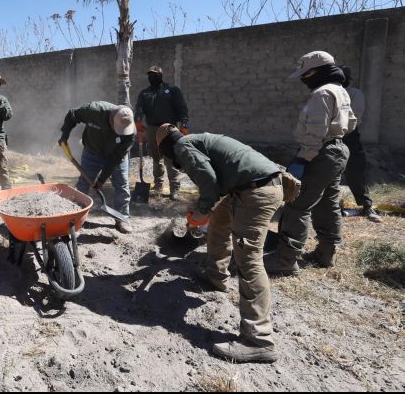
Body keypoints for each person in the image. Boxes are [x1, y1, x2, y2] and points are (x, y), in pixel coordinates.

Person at [156, 124, 283, 363]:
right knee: (219, 223)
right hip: (246, 187)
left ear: (166, 149)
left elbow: (208, 180)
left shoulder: (182, 146)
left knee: (249, 260)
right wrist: (205, 212)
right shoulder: (195, 140)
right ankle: (216, 277)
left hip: (257, 192)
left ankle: (259, 340)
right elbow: (213, 178)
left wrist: (201, 211)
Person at [267, 51, 356, 275]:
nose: (302, 79)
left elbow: (316, 131)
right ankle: (325, 254)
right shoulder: (341, 91)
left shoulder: (322, 93)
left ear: (316, 72)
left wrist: (303, 158)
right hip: (337, 150)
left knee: (298, 205)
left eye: (305, 74)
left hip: (319, 153)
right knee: (327, 203)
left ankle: (285, 262)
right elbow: (352, 123)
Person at [59, 101, 135, 233]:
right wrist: (65, 135)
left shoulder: (129, 133)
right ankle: (75, 215)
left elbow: (115, 159)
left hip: (115, 156)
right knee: (83, 183)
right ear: (111, 119)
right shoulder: (94, 111)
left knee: (122, 185)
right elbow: (72, 115)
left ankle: (122, 218)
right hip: (92, 152)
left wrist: (101, 180)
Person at [134, 65, 189, 201]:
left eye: (154, 74)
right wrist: (138, 123)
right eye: (150, 75)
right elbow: (139, 108)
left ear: (160, 75)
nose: (151, 77)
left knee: (170, 157)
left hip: (169, 128)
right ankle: (158, 186)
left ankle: (174, 189)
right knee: (156, 157)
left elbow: (182, 108)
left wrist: (184, 125)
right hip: (152, 128)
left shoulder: (172, 90)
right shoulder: (145, 93)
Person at [339, 66, 382, 223]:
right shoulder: (328, 93)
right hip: (329, 136)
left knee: (355, 170)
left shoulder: (355, 94)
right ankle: (328, 206)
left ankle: (366, 206)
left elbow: (353, 117)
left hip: (349, 136)